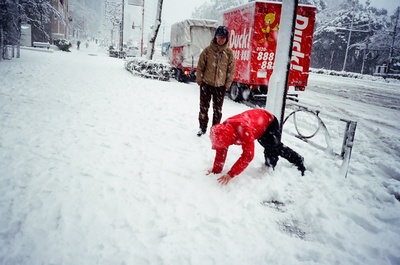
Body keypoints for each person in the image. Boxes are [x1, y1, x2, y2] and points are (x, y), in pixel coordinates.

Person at [207, 108, 306, 185]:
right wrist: (216, 170)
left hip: (269, 122)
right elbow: (221, 151)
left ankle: (297, 160)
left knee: (273, 149)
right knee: (269, 146)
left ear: (229, 139)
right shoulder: (224, 130)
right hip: (257, 125)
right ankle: (272, 164)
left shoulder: (244, 130)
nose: (223, 147)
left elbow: (248, 155)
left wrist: (231, 174)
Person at [196, 25, 236, 137]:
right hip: (206, 84)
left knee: (217, 110)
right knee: (203, 107)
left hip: (220, 86)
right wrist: (200, 80)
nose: (220, 39)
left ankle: (215, 130)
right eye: (219, 37)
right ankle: (202, 128)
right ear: (215, 37)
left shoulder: (229, 53)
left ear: (226, 39)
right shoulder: (207, 51)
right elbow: (200, 66)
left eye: (223, 37)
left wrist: (227, 84)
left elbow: (231, 70)